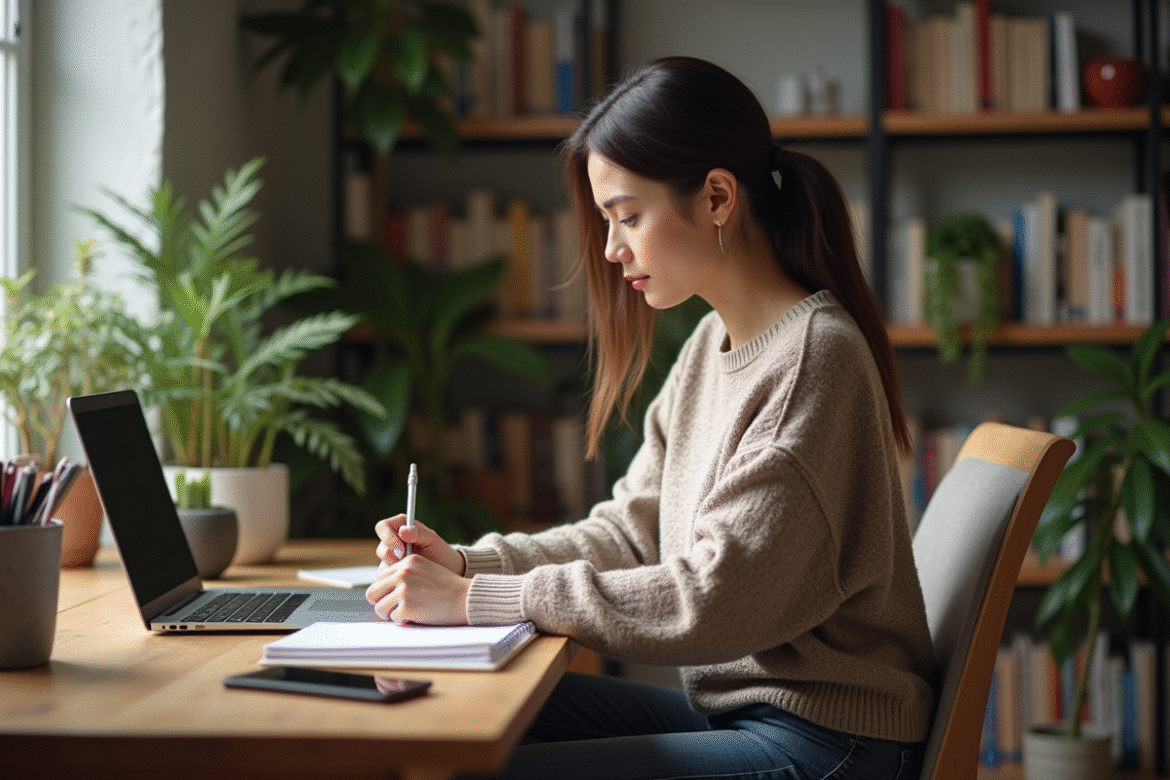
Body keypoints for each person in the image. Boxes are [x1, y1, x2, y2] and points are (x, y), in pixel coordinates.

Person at [366, 55, 936, 780]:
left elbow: (714, 598)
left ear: (718, 198)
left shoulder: (812, 361)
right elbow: (630, 533)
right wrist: (469, 564)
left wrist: (478, 600)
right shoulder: (710, 345)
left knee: (478, 766)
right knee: (447, 716)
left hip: (829, 742)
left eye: (627, 217)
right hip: (746, 714)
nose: (611, 250)